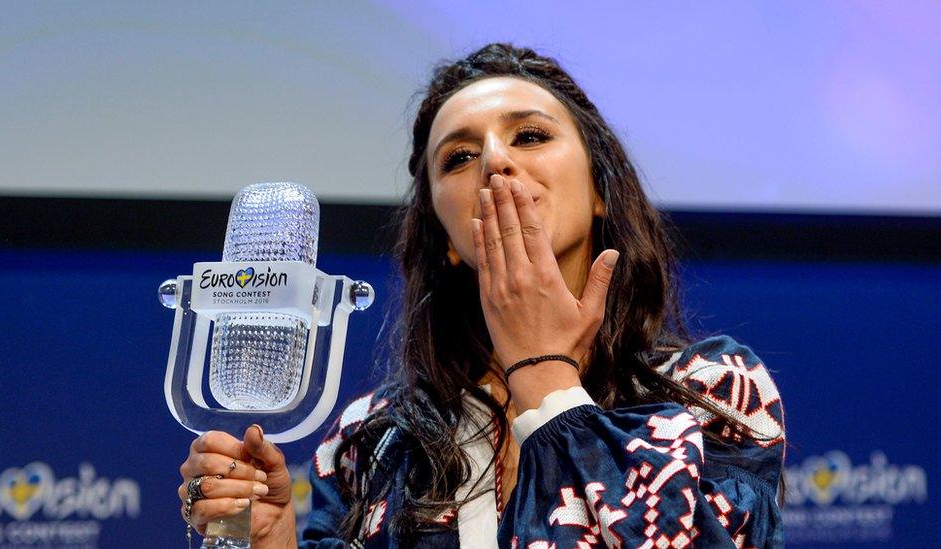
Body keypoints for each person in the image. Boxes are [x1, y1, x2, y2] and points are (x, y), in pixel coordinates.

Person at [177, 43, 786, 548]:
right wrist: (267, 538)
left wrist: (546, 378)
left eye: (529, 136)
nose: (495, 162)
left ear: (600, 192)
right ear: (443, 235)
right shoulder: (376, 433)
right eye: (460, 156)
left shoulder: (711, 390)